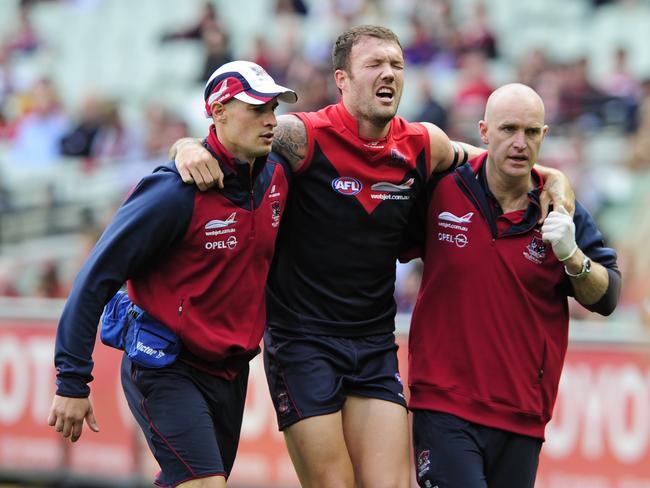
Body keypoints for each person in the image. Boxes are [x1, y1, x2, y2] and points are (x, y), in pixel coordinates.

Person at [170, 26, 573, 488]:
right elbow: (225, 138)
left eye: (397, 65)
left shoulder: (424, 144)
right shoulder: (302, 136)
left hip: (373, 344)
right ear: (341, 79)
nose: (389, 75)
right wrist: (184, 147)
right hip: (304, 344)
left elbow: (500, 159)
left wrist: (556, 178)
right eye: (374, 65)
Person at [47, 60, 297, 488]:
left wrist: (184, 143)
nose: (271, 119)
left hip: (230, 373)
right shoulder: (172, 191)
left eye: (273, 108)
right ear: (218, 112)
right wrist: (72, 380)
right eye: (257, 109)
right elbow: (95, 278)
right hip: (165, 365)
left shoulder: (277, 175)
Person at [407, 83, 621, 488]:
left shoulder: (560, 212)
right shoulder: (443, 189)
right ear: (484, 132)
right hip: (443, 402)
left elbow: (608, 296)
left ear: (544, 135)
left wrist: (572, 255)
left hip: (522, 415)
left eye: (531, 131)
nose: (520, 143)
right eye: (508, 130)